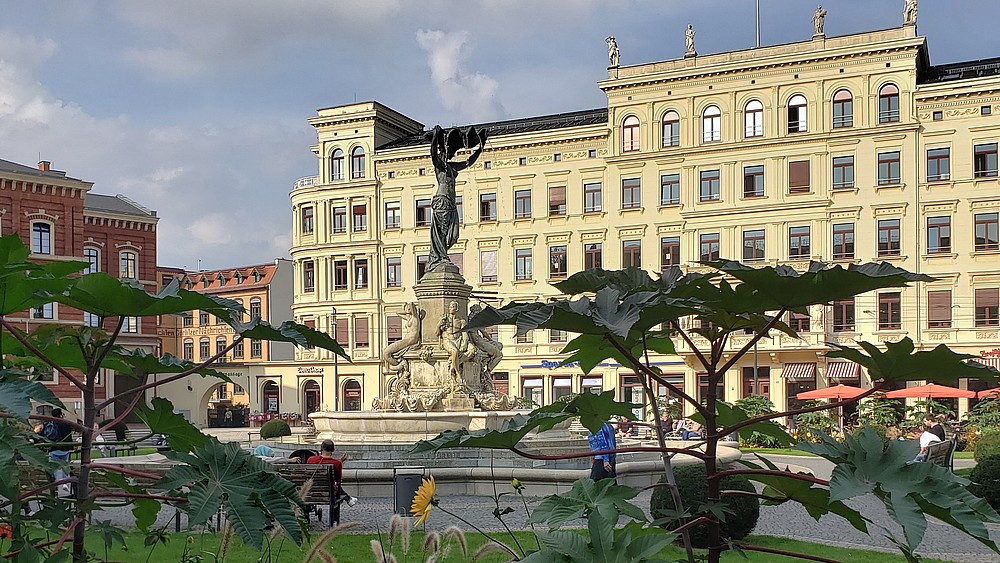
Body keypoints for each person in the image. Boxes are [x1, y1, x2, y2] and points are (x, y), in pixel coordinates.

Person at [35, 408, 75, 495]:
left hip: (53, 448)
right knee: (65, 465)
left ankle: (59, 481)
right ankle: (64, 482)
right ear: (61, 415)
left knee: (54, 466)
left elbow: (40, 434)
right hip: (65, 449)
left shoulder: (49, 424)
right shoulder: (66, 424)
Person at [306, 439, 357, 506]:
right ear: (333, 450)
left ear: (321, 448)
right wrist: (340, 462)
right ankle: (348, 498)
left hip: (311, 490)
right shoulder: (337, 463)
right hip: (329, 493)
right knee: (334, 485)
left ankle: (349, 499)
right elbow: (338, 479)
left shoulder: (311, 459)